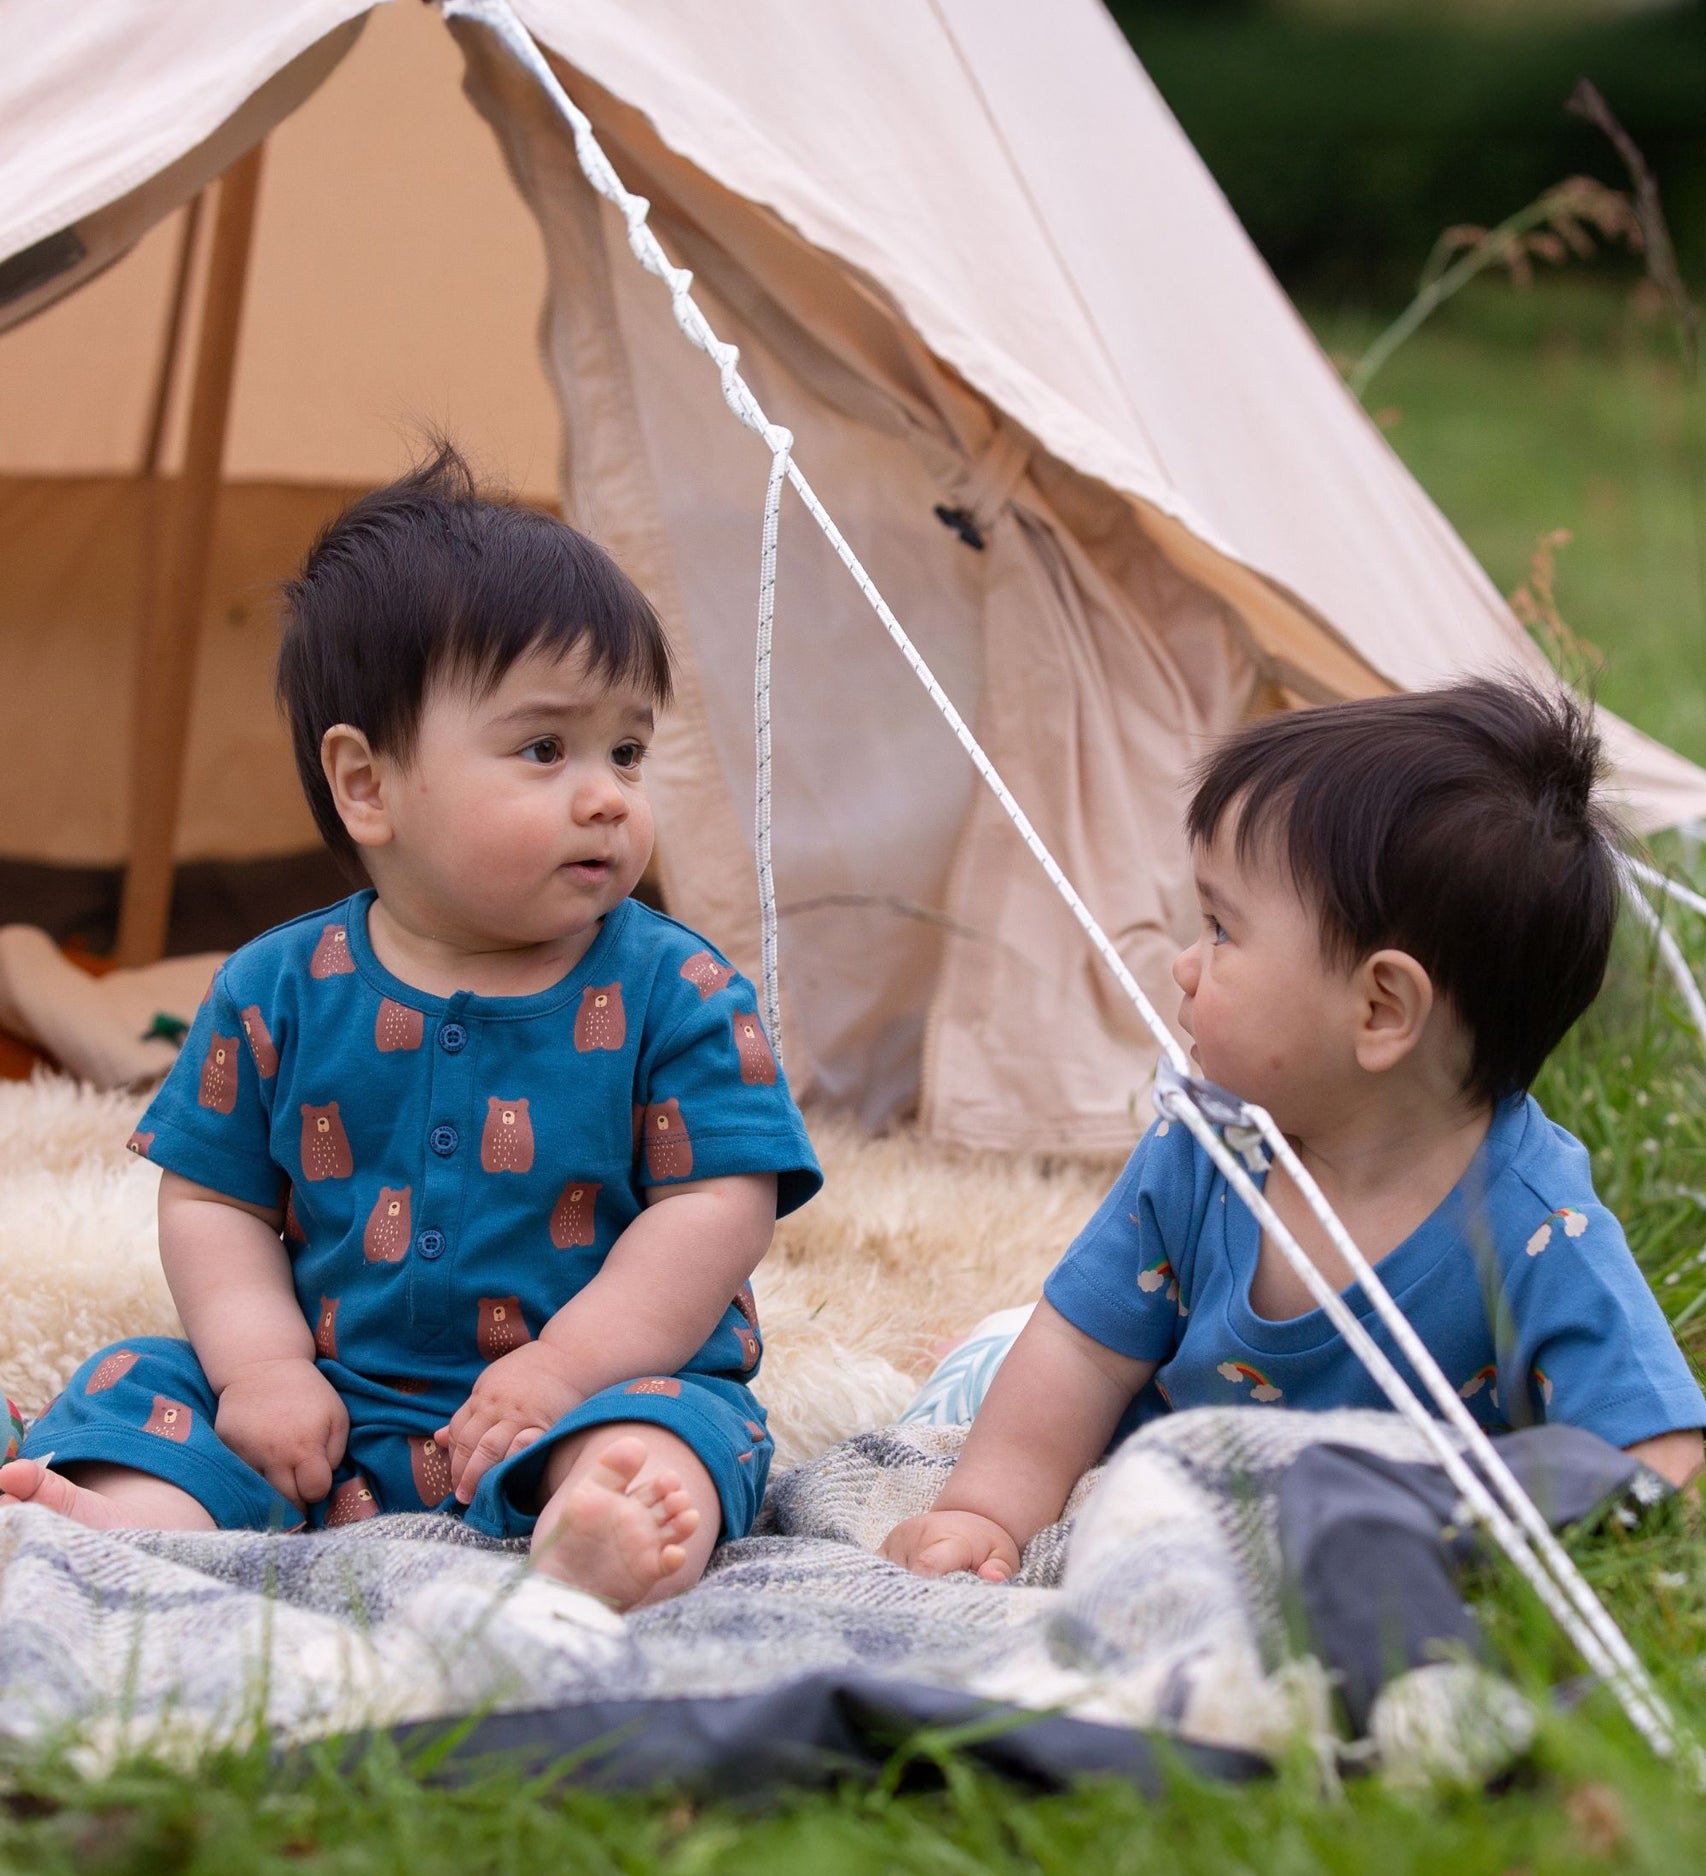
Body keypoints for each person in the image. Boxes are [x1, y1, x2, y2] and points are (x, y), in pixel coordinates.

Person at [0, 446, 820, 1611]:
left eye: (626, 751)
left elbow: (718, 1206)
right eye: (546, 749)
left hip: (591, 1384)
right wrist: (266, 1367)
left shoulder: (676, 987)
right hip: (331, 1395)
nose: (607, 796)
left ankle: (599, 1537)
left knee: (681, 1430)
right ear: (366, 784)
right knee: (144, 1382)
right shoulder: (274, 987)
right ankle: (121, 1522)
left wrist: (563, 1369)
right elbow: (214, 1197)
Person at [884, 680, 1705, 1584]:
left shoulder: (1536, 1229)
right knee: (996, 1363)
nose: (1185, 965)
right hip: (1160, 1504)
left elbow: (1658, 1457)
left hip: (1357, 1564)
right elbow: (1083, 1349)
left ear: (1382, 1008)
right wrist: (984, 1511)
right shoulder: (1211, 1149)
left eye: (1223, 929)